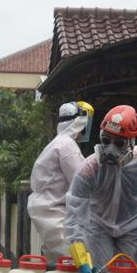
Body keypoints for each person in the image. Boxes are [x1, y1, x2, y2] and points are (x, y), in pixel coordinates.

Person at [65, 105, 137, 273]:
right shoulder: (88, 170)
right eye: (106, 141)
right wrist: (81, 259)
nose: (111, 149)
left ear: (131, 142)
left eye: (119, 143)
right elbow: (74, 217)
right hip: (98, 225)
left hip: (133, 225)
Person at [28, 101, 93, 257]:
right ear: (81, 123)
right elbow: (83, 181)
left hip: (50, 215)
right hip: (57, 217)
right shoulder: (67, 146)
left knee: (60, 267)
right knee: (71, 265)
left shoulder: (57, 143)